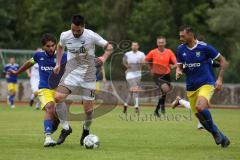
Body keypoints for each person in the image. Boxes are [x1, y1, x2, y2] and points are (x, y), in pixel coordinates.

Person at [53, 14, 113, 146]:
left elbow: (109, 47)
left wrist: (103, 57)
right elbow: (60, 46)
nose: (75, 33)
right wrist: (58, 63)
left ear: (83, 27)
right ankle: (66, 128)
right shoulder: (65, 35)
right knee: (57, 98)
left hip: (88, 75)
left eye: (78, 31)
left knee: (88, 111)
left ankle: (86, 130)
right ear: (71, 26)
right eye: (73, 30)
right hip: (71, 73)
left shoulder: (91, 35)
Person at [9, 33, 69, 147]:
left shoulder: (64, 56)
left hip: (58, 90)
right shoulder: (38, 55)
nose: (51, 48)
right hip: (44, 88)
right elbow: (29, 63)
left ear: (56, 45)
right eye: (48, 46)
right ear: (43, 47)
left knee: (56, 119)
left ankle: (53, 130)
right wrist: (17, 72)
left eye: (53, 45)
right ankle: (47, 138)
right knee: (50, 107)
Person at [176, 25, 230, 147]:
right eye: (179, 36)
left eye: (182, 36)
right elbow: (179, 66)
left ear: (190, 34)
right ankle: (221, 136)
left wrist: (220, 79)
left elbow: (223, 61)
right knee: (201, 118)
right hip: (191, 87)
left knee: (200, 108)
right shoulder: (180, 49)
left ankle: (215, 132)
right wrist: (178, 71)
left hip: (207, 83)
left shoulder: (205, 48)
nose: (180, 38)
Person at [145, 36, 177, 117]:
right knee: (165, 89)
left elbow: (176, 62)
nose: (160, 44)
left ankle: (158, 109)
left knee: (164, 92)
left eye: (162, 42)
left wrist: (173, 66)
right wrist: (150, 69)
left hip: (167, 75)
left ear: (165, 43)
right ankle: (160, 107)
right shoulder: (153, 52)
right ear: (157, 43)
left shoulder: (169, 52)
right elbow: (146, 60)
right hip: (157, 75)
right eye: (159, 42)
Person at [122, 42, 145, 114]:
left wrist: (141, 63)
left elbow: (144, 63)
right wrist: (126, 66)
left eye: (136, 45)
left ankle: (125, 104)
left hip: (138, 74)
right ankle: (136, 106)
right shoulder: (128, 54)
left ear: (138, 46)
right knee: (135, 88)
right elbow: (124, 61)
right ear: (131, 46)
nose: (134, 47)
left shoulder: (141, 54)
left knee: (132, 91)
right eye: (133, 45)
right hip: (129, 73)